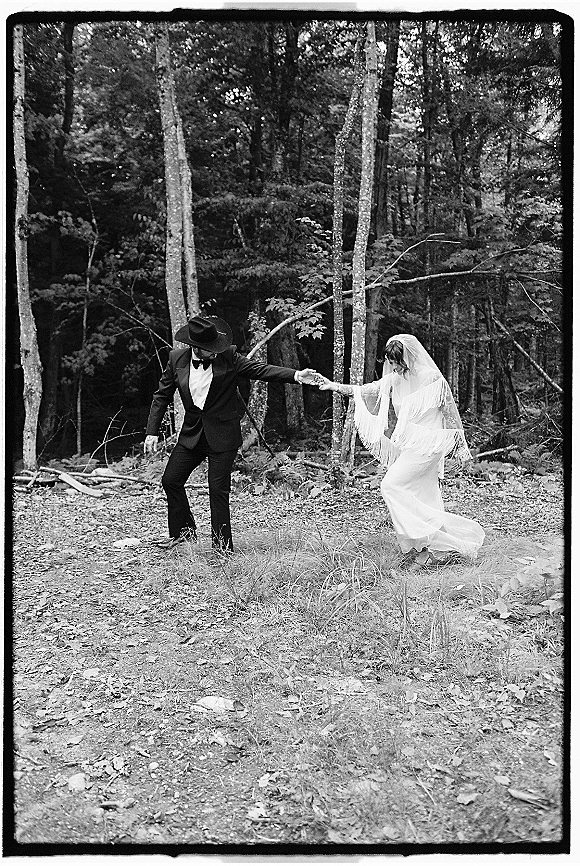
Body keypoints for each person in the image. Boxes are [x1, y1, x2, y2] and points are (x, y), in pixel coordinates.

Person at [144, 314, 319, 552]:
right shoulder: (176, 359)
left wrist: (296, 375)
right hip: (192, 434)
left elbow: (260, 370)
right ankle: (183, 534)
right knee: (171, 480)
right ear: (196, 347)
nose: (215, 352)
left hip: (223, 435)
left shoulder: (228, 357)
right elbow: (161, 395)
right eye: (209, 349)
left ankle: (222, 548)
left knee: (217, 490)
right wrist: (151, 432)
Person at [317, 334, 485, 564]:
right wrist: (334, 386)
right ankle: (438, 549)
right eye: (390, 362)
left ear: (409, 357)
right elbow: (368, 390)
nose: (394, 367)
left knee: (390, 485)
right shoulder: (395, 379)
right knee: (424, 496)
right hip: (411, 445)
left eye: (397, 361)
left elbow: (450, 414)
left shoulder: (432, 378)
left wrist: (460, 450)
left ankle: (424, 541)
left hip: (429, 447)